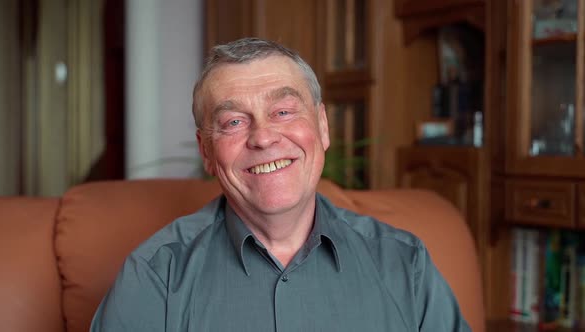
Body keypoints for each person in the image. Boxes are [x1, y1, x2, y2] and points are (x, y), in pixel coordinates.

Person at [90, 37, 470, 331]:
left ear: (322, 126)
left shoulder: (405, 264)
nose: (263, 137)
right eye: (234, 122)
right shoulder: (155, 275)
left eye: (283, 112)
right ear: (206, 151)